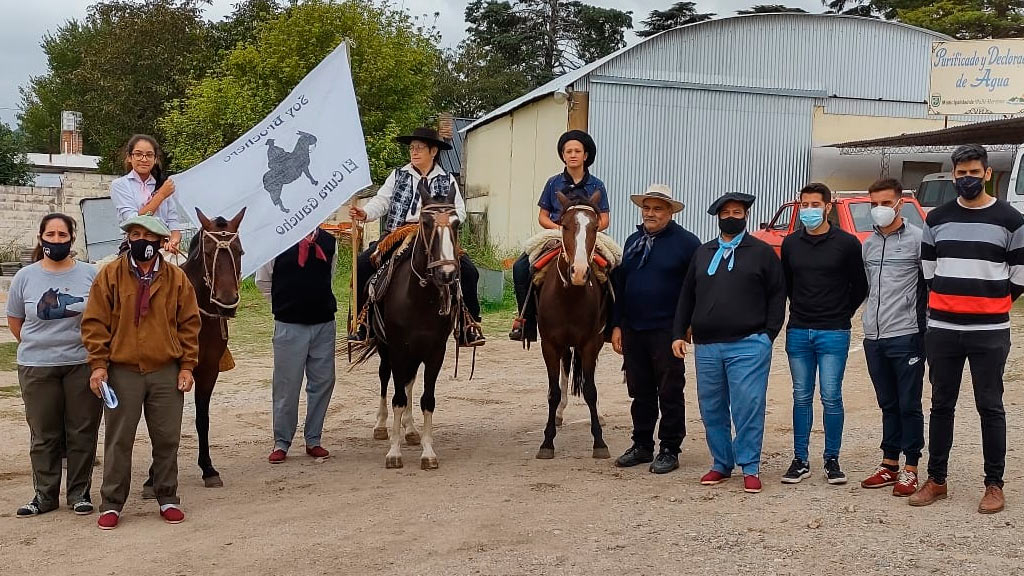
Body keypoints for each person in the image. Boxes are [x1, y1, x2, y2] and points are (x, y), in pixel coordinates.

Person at [910, 144, 1024, 514]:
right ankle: (937, 479)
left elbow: (1020, 275)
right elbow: (929, 269)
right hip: (943, 327)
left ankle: (994, 484)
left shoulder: (1011, 220)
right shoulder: (936, 217)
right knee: (941, 404)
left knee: (990, 405)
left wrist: (991, 303)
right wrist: (949, 300)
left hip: (990, 329)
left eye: (974, 173)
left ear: (988, 174)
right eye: (961, 174)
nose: (967, 179)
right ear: (953, 175)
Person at [81, 214, 200, 530]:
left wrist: (187, 366)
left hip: (165, 370)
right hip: (123, 372)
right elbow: (94, 322)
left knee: (167, 438)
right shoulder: (110, 275)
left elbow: (189, 323)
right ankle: (112, 502)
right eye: (135, 234)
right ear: (128, 239)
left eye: (148, 236)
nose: (141, 241)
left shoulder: (176, 278)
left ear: (161, 242)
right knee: (119, 439)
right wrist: (98, 365)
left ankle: (167, 495)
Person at [672, 193, 786, 494]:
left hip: (749, 343)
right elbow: (687, 295)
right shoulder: (703, 252)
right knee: (711, 407)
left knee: (748, 406)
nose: (732, 216)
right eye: (726, 213)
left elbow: (777, 294)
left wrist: (768, 335)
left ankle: (749, 465)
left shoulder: (761, 252)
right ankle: (721, 463)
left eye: (738, 212)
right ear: (718, 217)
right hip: (707, 345)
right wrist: (677, 332)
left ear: (746, 216)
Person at [349, 127, 484, 346]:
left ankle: (467, 324)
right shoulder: (398, 175)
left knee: (469, 272)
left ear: (433, 151)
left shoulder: (446, 179)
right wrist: (365, 213)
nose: (414, 152)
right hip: (399, 232)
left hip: (436, 236)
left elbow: (460, 210)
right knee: (363, 265)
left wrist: (444, 220)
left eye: (419, 148)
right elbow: (382, 201)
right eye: (412, 148)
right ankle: (364, 324)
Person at [7, 213, 100, 518]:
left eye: (63, 235)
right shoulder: (25, 277)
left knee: (82, 431)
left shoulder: (90, 274)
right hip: (37, 366)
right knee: (44, 433)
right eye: (51, 235)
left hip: (81, 364)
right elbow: (15, 321)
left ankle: (79, 493)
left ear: (72, 239)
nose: (56, 240)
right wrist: (41, 347)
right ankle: (44, 495)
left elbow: (101, 318)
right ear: (41, 237)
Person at [779, 183, 867, 486]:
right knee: (801, 396)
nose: (809, 210)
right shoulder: (791, 244)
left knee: (831, 396)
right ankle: (800, 459)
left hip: (834, 332)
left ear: (828, 207)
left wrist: (842, 313)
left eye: (815, 205)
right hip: (799, 331)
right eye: (804, 205)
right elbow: (787, 284)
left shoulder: (847, 243)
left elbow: (860, 286)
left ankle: (832, 459)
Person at [611, 185, 700, 474]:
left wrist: (686, 325)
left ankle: (670, 448)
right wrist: (616, 326)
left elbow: (694, 288)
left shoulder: (687, 243)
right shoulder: (632, 241)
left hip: (667, 330)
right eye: (646, 208)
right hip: (634, 327)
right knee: (640, 390)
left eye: (657, 208)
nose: (650, 213)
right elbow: (621, 287)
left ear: (670, 212)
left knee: (670, 390)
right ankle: (642, 445)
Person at [858, 178, 926, 497]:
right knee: (887, 402)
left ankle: (911, 467)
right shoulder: (868, 244)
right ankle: (889, 464)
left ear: (900, 203)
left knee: (908, 403)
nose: (879, 209)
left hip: (907, 335)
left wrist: (924, 331)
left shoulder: (918, 240)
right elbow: (868, 287)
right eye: (874, 204)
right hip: (874, 336)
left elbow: (928, 287)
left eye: (885, 203)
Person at [508, 130, 610, 342]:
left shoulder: (597, 185)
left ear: (586, 155)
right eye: (568, 151)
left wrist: (585, 233)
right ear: (563, 155)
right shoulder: (553, 183)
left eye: (577, 151)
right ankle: (526, 322)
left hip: (588, 235)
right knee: (520, 268)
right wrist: (559, 230)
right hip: (556, 234)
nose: (573, 155)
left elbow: (604, 219)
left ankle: (611, 324)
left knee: (616, 266)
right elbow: (542, 216)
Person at [255, 227, 337, 464]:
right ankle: (281, 441)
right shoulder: (277, 239)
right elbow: (263, 281)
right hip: (290, 323)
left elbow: (329, 276)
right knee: (287, 385)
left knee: (323, 382)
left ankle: (314, 438)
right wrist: (284, 302)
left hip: (323, 322)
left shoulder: (330, 242)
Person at [110, 134, 182, 253]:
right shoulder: (120, 185)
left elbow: (173, 221)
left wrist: (174, 241)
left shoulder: (163, 184)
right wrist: (161, 196)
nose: (144, 159)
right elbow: (134, 221)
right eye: (138, 154)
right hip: (135, 245)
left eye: (149, 155)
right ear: (129, 157)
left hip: (163, 246)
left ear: (155, 159)